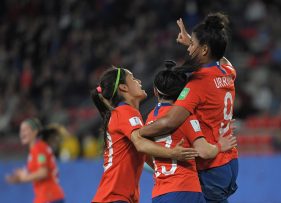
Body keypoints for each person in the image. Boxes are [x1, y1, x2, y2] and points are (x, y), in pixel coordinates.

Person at [132, 12, 238, 203]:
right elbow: (220, 57)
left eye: (194, 45)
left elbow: (169, 121)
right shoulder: (228, 71)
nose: (189, 49)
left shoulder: (197, 84)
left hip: (211, 164)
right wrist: (192, 41)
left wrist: (139, 133)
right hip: (230, 161)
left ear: (205, 49)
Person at [90, 67, 198, 203]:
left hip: (116, 197)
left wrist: (171, 171)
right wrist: (173, 153)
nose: (139, 81)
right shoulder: (125, 111)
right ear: (123, 87)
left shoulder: (124, 114)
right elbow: (140, 144)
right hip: (114, 197)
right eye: (133, 79)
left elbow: (146, 154)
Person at [147, 64, 237, 203]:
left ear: (155, 91)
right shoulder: (185, 116)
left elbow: (146, 154)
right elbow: (204, 152)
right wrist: (220, 146)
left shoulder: (150, 118)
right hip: (185, 189)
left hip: (160, 193)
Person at [6, 118, 65, 203]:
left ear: (35, 132)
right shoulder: (35, 150)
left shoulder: (39, 148)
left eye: (25, 130)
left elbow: (43, 172)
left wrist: (24, 178)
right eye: (21, 130)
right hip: (44, 197)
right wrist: (19, 177)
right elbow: (35, 173)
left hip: (49, 196)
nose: (22, 133)